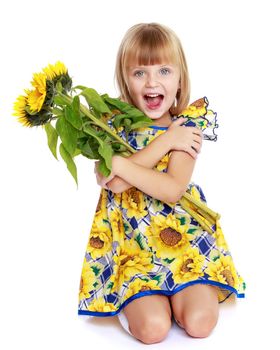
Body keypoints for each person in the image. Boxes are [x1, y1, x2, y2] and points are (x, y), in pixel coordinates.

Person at [78, 22, 246, 344]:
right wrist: (165, 143)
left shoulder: (187, 125)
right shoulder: (110, 123)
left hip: (184, 239)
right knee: (153, 329)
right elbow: (111, 183)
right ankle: (134, 298)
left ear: (180, 80)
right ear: (125, 79)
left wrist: (119, 163)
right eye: (140, 72)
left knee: (200, 324)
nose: (152, 82)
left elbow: (171, 189)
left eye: (164, 71)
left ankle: (185, 289)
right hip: (134, 246)